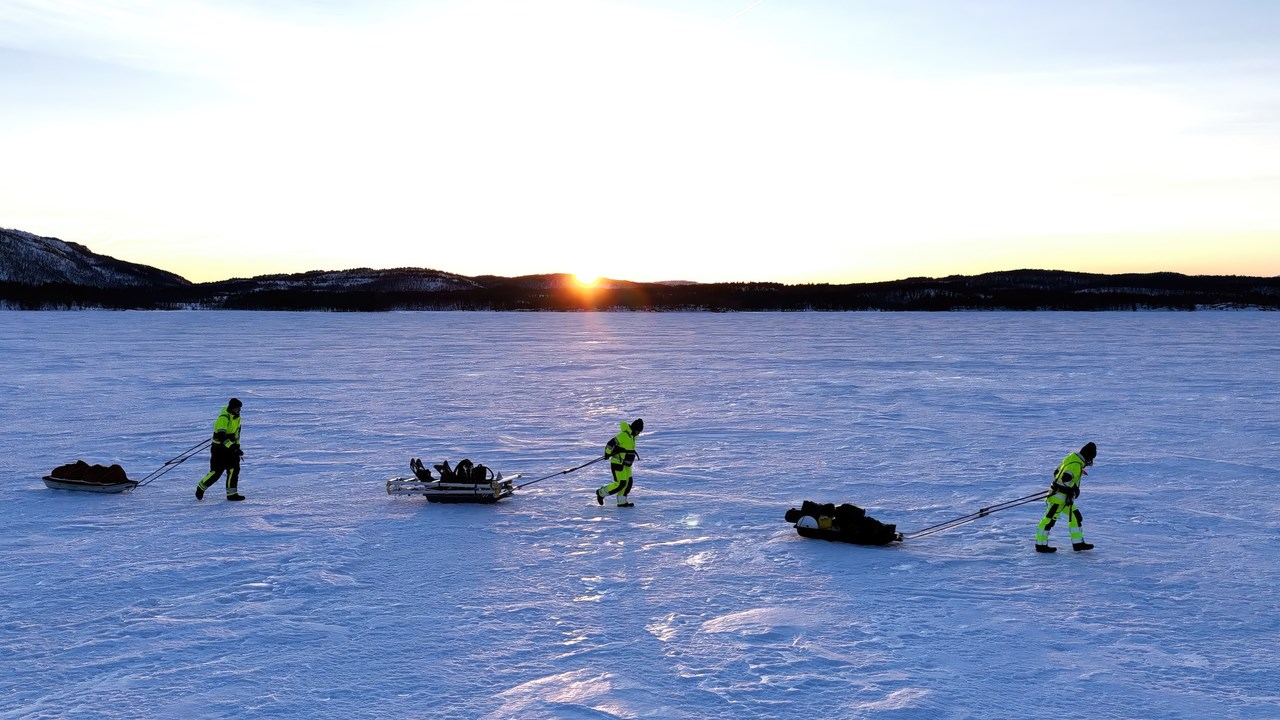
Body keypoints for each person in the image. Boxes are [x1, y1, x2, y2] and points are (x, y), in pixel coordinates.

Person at [1035, 441, 1096, 553]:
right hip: (1058, 498)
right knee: (1048, 521)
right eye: (1091, 459)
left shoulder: (1071, 459)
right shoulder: (1076, 465)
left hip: (1064, 499)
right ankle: (1041, 545)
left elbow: (1056, 472)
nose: (1090, 462)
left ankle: (1078, 543)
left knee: (1075, 517)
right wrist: (1072, 489)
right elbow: (1065, 478)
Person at [196, 398, 245, 501]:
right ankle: (201, 486)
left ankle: (232, 494)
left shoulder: (237, 418)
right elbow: (221, 437)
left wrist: (237, 447)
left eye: (240, 408)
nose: (239, 410)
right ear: (232, 408)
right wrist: (232, 447)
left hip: (230, 448)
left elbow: (237, 434)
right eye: (237, 408)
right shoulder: (223, 418)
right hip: (219, 449)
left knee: (234, 469)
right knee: (216, 472)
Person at [596, 418, 643, 507]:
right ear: (633, 428)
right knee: (620, 484)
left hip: (626, 464)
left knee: (628, 483)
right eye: (638, 431)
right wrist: (607, 453)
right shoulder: (624, 435)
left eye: (639, 431)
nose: (638, 433)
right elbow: (610, 444)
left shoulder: (632, 436)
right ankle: (601, 493)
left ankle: (622, 502)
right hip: (617, 463)